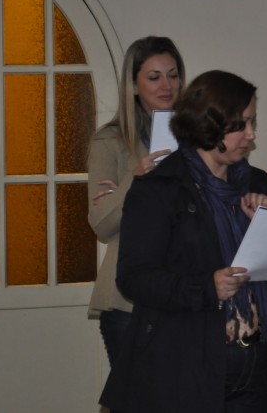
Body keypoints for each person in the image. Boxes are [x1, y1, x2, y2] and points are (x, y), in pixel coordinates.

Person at [99, 70, 267, 413]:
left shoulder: (257, 182)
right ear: (209, 124)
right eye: (241, 124)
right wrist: (207, 288)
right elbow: (134, 278)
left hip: (256, 362)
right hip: (187, 364)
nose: (251, 134)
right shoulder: (159, 188)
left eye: (253, 122)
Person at [87, 36, 186, 365]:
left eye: (173, 75)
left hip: (185, 292)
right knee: (133, 393)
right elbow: (101, 224)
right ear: (132, 85)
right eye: (154, 77)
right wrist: (136, 178)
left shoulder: (198, 139)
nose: (167, 86)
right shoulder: (109, 141)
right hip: (127, 301)